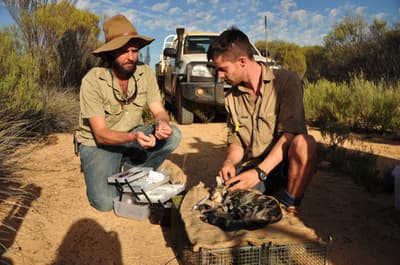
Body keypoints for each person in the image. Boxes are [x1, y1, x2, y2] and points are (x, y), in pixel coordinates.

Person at [75, 14, 181, 212]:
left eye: (134, 51)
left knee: (173, 134)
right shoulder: (92, 81)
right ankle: (113, 168)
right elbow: (100, 134)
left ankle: (128, 169)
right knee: (106, 203)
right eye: (124, 51)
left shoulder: (145, 73)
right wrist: (133, 137)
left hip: (132, 135)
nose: (131, 57)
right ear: (109, 54)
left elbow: (159, 110)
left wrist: (162, 123)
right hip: (99, 144)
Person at [207, 27, 317, 216]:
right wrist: (229, 162)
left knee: (305, 144)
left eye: (223, 70)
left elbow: (290, 133)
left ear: (242, 62)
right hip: (254, 166)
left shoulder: (286, 81)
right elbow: (237, 140)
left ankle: (291, 205)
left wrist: (259, 172)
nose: (220, 76)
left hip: (281, 165)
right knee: (229, 202)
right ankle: (268, 192)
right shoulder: (231, 98)